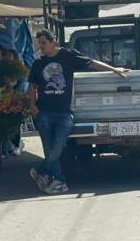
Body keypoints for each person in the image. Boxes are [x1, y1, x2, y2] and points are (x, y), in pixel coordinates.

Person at [28, 30, 130, 194]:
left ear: (53, 41)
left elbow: (91, 62)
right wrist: (33, 106)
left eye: (43, 43)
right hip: (44, 113)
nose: (41, 46)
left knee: (59, 146)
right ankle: (58, 181)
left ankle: (39, 170)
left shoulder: (68, 55)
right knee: (49, 149)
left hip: (64, 113)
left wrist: (114, 69)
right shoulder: (38, 63)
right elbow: (32, 86)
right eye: (39, 43)